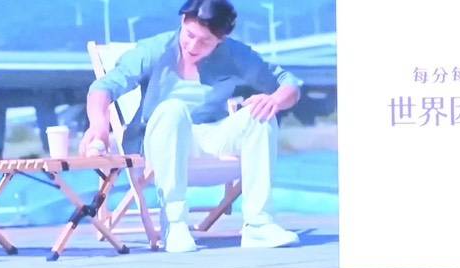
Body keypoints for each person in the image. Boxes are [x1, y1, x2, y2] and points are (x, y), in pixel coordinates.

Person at [82, 0, 302, 253]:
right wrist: (99, 126)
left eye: (205, 41)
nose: (193, 46)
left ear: (220, 40)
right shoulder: (156, 49)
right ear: (182, 22)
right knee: (173, 108)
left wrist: (274, 100)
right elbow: (103, 87)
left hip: (209, 136)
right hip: (159, 140)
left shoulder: (234, 54)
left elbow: (289, 84)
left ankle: (259, 225)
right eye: (189, 35)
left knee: (260, 115)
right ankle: (174, 224)